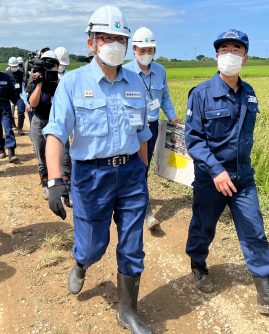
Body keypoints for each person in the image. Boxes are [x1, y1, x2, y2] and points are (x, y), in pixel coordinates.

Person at [43, 6, 152, 334]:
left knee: (132, 243)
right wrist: (54, 180)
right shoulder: (73, 83)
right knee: (93, 247)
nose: (114, 44)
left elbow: (143, 134)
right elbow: (55, 134)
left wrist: (142, 170)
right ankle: (80, 263)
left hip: (131, 172)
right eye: (107, 37)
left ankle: (128, 311)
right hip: (92, 176)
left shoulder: (135, 81)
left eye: (121, 38)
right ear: (91, 42)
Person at [184, 29, 269, 318]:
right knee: (203, 226)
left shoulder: (249, 94)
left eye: (235, 49)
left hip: (243, 178)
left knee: (254, 231)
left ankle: (266, 295)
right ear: (216, 56)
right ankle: (198, 264)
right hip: (211, 179)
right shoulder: (200, 94)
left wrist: (236, 171)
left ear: (245, 58)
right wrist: (216, 171)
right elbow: (194, 140)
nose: (229, 54)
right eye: (224, 49)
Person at [124, 26, 178, 230]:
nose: (146, 54)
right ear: (134, 50)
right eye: (141, 50)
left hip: (152, 126)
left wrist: (172, 116)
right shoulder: (126, 71)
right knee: (134, 166)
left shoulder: (160, 71)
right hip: (131, 126)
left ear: (154, 50)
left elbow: (164, 98)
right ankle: (144, 211)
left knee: (143, 167)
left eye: (150, 50)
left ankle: (140, 206)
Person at [27, 50, 71, 200]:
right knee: (41, 154)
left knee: (64, 155)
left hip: (57, 122)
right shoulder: (35, 80)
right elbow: (33, 103)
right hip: (39, 120)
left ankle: (67, 187)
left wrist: (57, 82)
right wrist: (39, 84)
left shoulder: (62, 80)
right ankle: (46, 184)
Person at [0, 71, 19, 162]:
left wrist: (15, 102)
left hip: (4, 105)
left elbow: (12, 91)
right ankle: (1, 150)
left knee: (8, 128)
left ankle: (11, 152)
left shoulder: (5, 77)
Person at [6, 57, 26, 135]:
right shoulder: (6, 74)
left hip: (19, 95)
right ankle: (12, 124)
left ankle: (20, 128)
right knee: (10, 112)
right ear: (10, 66)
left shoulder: (20, 73)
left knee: (21, 111)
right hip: (10, 96)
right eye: (13, 66)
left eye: (15, 66)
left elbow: (24, 83)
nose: (14, 68)